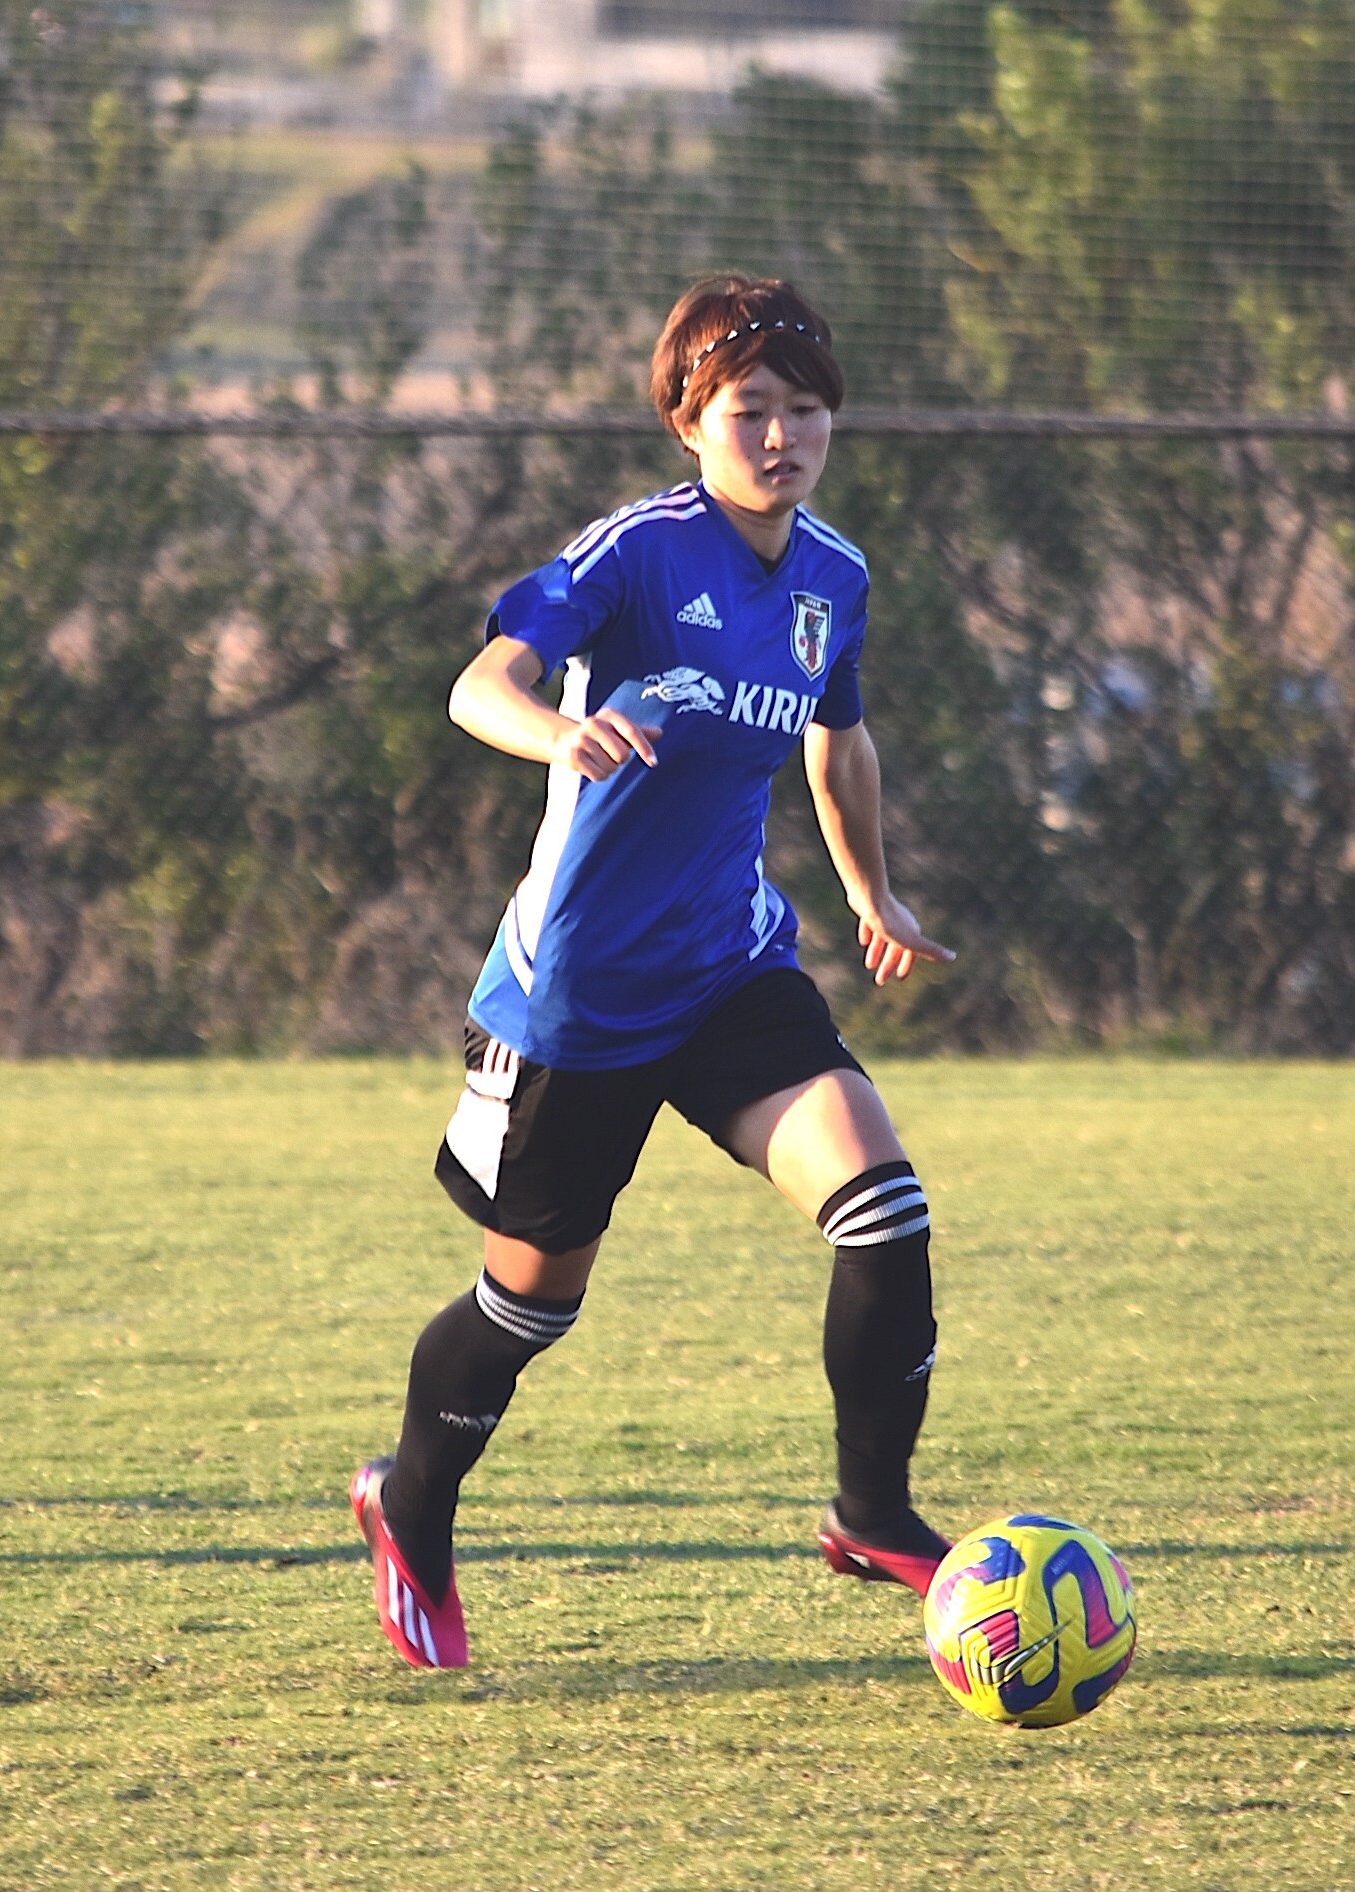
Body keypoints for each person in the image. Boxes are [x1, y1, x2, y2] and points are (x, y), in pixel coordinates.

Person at [351, 275, 957, 1670]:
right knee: (530, 1303)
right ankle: (410, 1496)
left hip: (731, 967)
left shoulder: (835, 577)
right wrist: (551, 734)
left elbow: (836, 739)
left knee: (884, 1210)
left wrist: (872, 890)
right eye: (751, 409)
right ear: (690, 420)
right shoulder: (634, 554)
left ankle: (872, 1514)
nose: (783, 435)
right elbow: (478, 684)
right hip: (577, 997)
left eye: (807, 410)